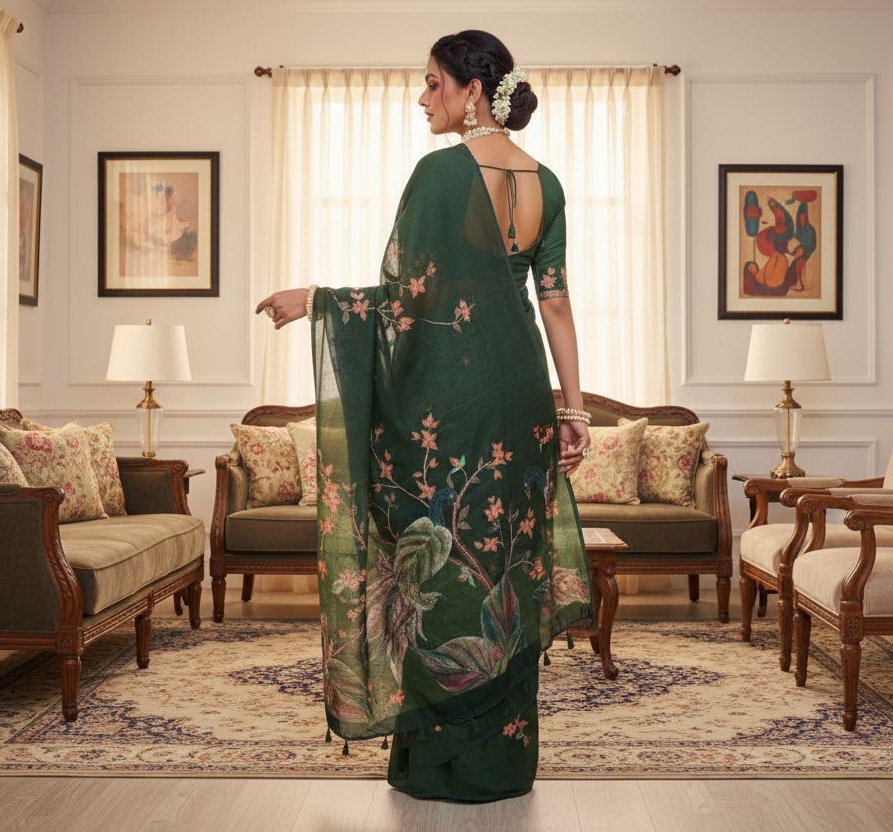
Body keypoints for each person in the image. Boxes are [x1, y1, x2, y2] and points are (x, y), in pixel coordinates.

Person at [256, 29, 593, 803]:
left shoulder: (441, 173)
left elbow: (413, 299)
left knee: (438, 558)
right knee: (504, 558)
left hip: (455, 397)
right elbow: (559, 304)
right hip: (523, 397)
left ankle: (444, 762)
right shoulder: (549, 183)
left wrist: (320, 300)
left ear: (473, 90)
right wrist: (574, 408)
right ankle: (502, 761)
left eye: (432, 83)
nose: (422, 97)